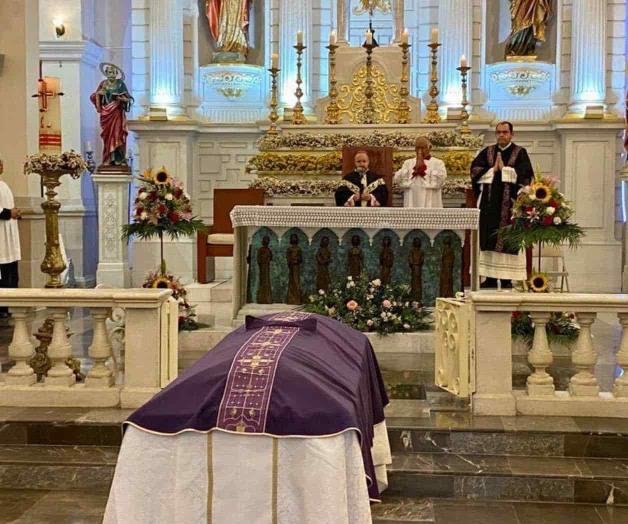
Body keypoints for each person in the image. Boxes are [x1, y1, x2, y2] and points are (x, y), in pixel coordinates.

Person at [470, 121, 533, 289]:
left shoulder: (520, 153)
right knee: (488, 237)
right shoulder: (487, 152)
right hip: (489, 205)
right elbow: (475, 171)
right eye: (498, 132)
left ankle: (506, 279)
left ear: (512, 134)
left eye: (505, 132)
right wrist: (493, 170)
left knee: (508, 239)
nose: (501, 135)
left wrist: (505, 170)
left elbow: (526, 176)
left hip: (510, 206)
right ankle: (490, 277)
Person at [90, 63, 133, 167]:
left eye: (113, 72)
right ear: (106, 73)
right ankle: (108, 158)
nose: (111, 74)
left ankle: (119, 159)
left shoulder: (120, 84)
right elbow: (93, 96)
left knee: (118, 135)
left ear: (116, 73)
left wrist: (122, 99)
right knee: (108, 136)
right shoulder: (103, 84)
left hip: (117, 112)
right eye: (109, 72)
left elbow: (129, 99)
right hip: (106, 113)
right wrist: (98, 95)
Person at [394, 137, 447, 208]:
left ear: (430, 148)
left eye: (422, 148)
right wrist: (413, 171)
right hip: (412, 198)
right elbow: (398, 179)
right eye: (417, 148)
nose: (420, 151)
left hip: (431, 200)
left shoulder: (438, 163)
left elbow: (441, 180)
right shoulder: (408, 163)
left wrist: (424, 171)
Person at [0, 159, 21, 318]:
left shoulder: (4, 185)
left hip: (9, 233)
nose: (2, 166)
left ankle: (11, 303)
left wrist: (16, 213)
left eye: (2, 163)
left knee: (12, 269)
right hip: (1, 235)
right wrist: (9, 213)